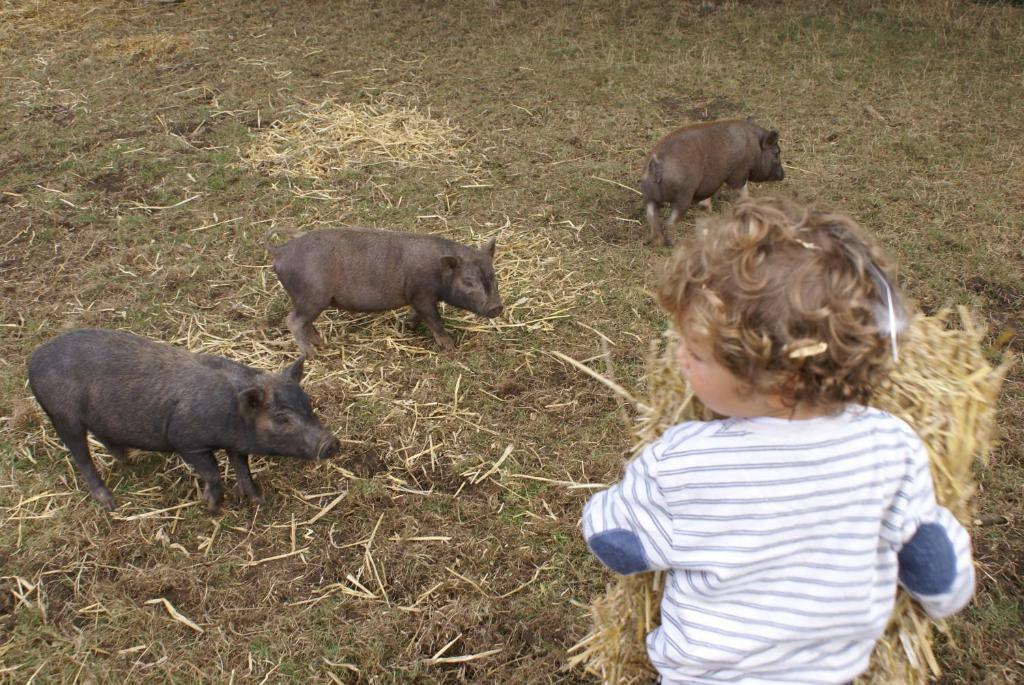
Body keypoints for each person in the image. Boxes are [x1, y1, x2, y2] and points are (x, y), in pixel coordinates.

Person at [581, 198, 975, 685]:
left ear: (782, 381)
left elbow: (616, 541)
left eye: (698, 353)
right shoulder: (891, 447)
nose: (679, 357)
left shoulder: (686, 461)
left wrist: (600, 512)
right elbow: (937, 574)